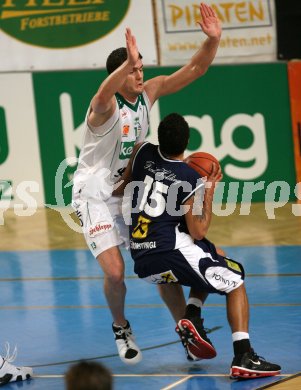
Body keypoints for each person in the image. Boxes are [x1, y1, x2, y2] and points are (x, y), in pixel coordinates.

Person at [72, 3, 222, 364]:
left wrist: (213, 41)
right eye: (133, 69)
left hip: (128, 191)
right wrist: (125, 64)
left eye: (140, 68)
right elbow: (101, 94)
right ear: (119, 73)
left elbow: (195, 69)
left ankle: (185, 329)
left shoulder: (147, 95)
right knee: (115, 271)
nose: (140, 74)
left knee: (160, 258)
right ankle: (121, 325)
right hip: (94, 194)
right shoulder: (104, 108)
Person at [126, 113, 281, 379]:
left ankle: (192, 316)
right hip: (169, 252)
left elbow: (130, 181)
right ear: (187, 143)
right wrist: (207, 188)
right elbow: (199, 229)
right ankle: (243, 355)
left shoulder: (142, 152)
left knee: (214, 253)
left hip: (141, 259)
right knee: (236, 279)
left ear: (160, 138)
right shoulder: (189, 176)